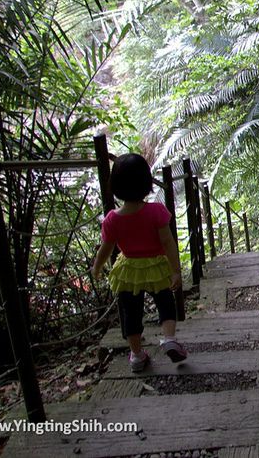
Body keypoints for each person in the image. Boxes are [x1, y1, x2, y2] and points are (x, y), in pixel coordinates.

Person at [92, 153, 188, 372]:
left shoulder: (112, 219)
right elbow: (168, 242)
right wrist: (175, 271)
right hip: (155, 266)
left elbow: (106, 249)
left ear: (115, 185)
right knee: (165, 303)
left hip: (129, 270)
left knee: (130, 312)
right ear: (146, 182)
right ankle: (169, 338)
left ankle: (136, 355)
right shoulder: (156, 212)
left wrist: (97, 268)